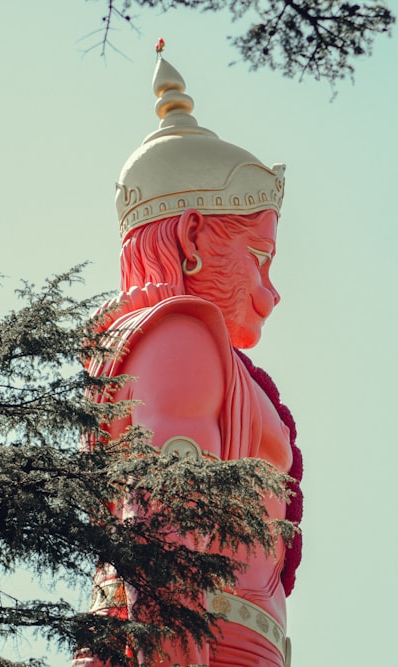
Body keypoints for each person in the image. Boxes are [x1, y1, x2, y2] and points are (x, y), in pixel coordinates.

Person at [75, 53, 303, 667]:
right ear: (193, 235)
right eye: (258, 255)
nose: (269, 290)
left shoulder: (171, 345)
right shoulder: (181, 337)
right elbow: (168, 528)